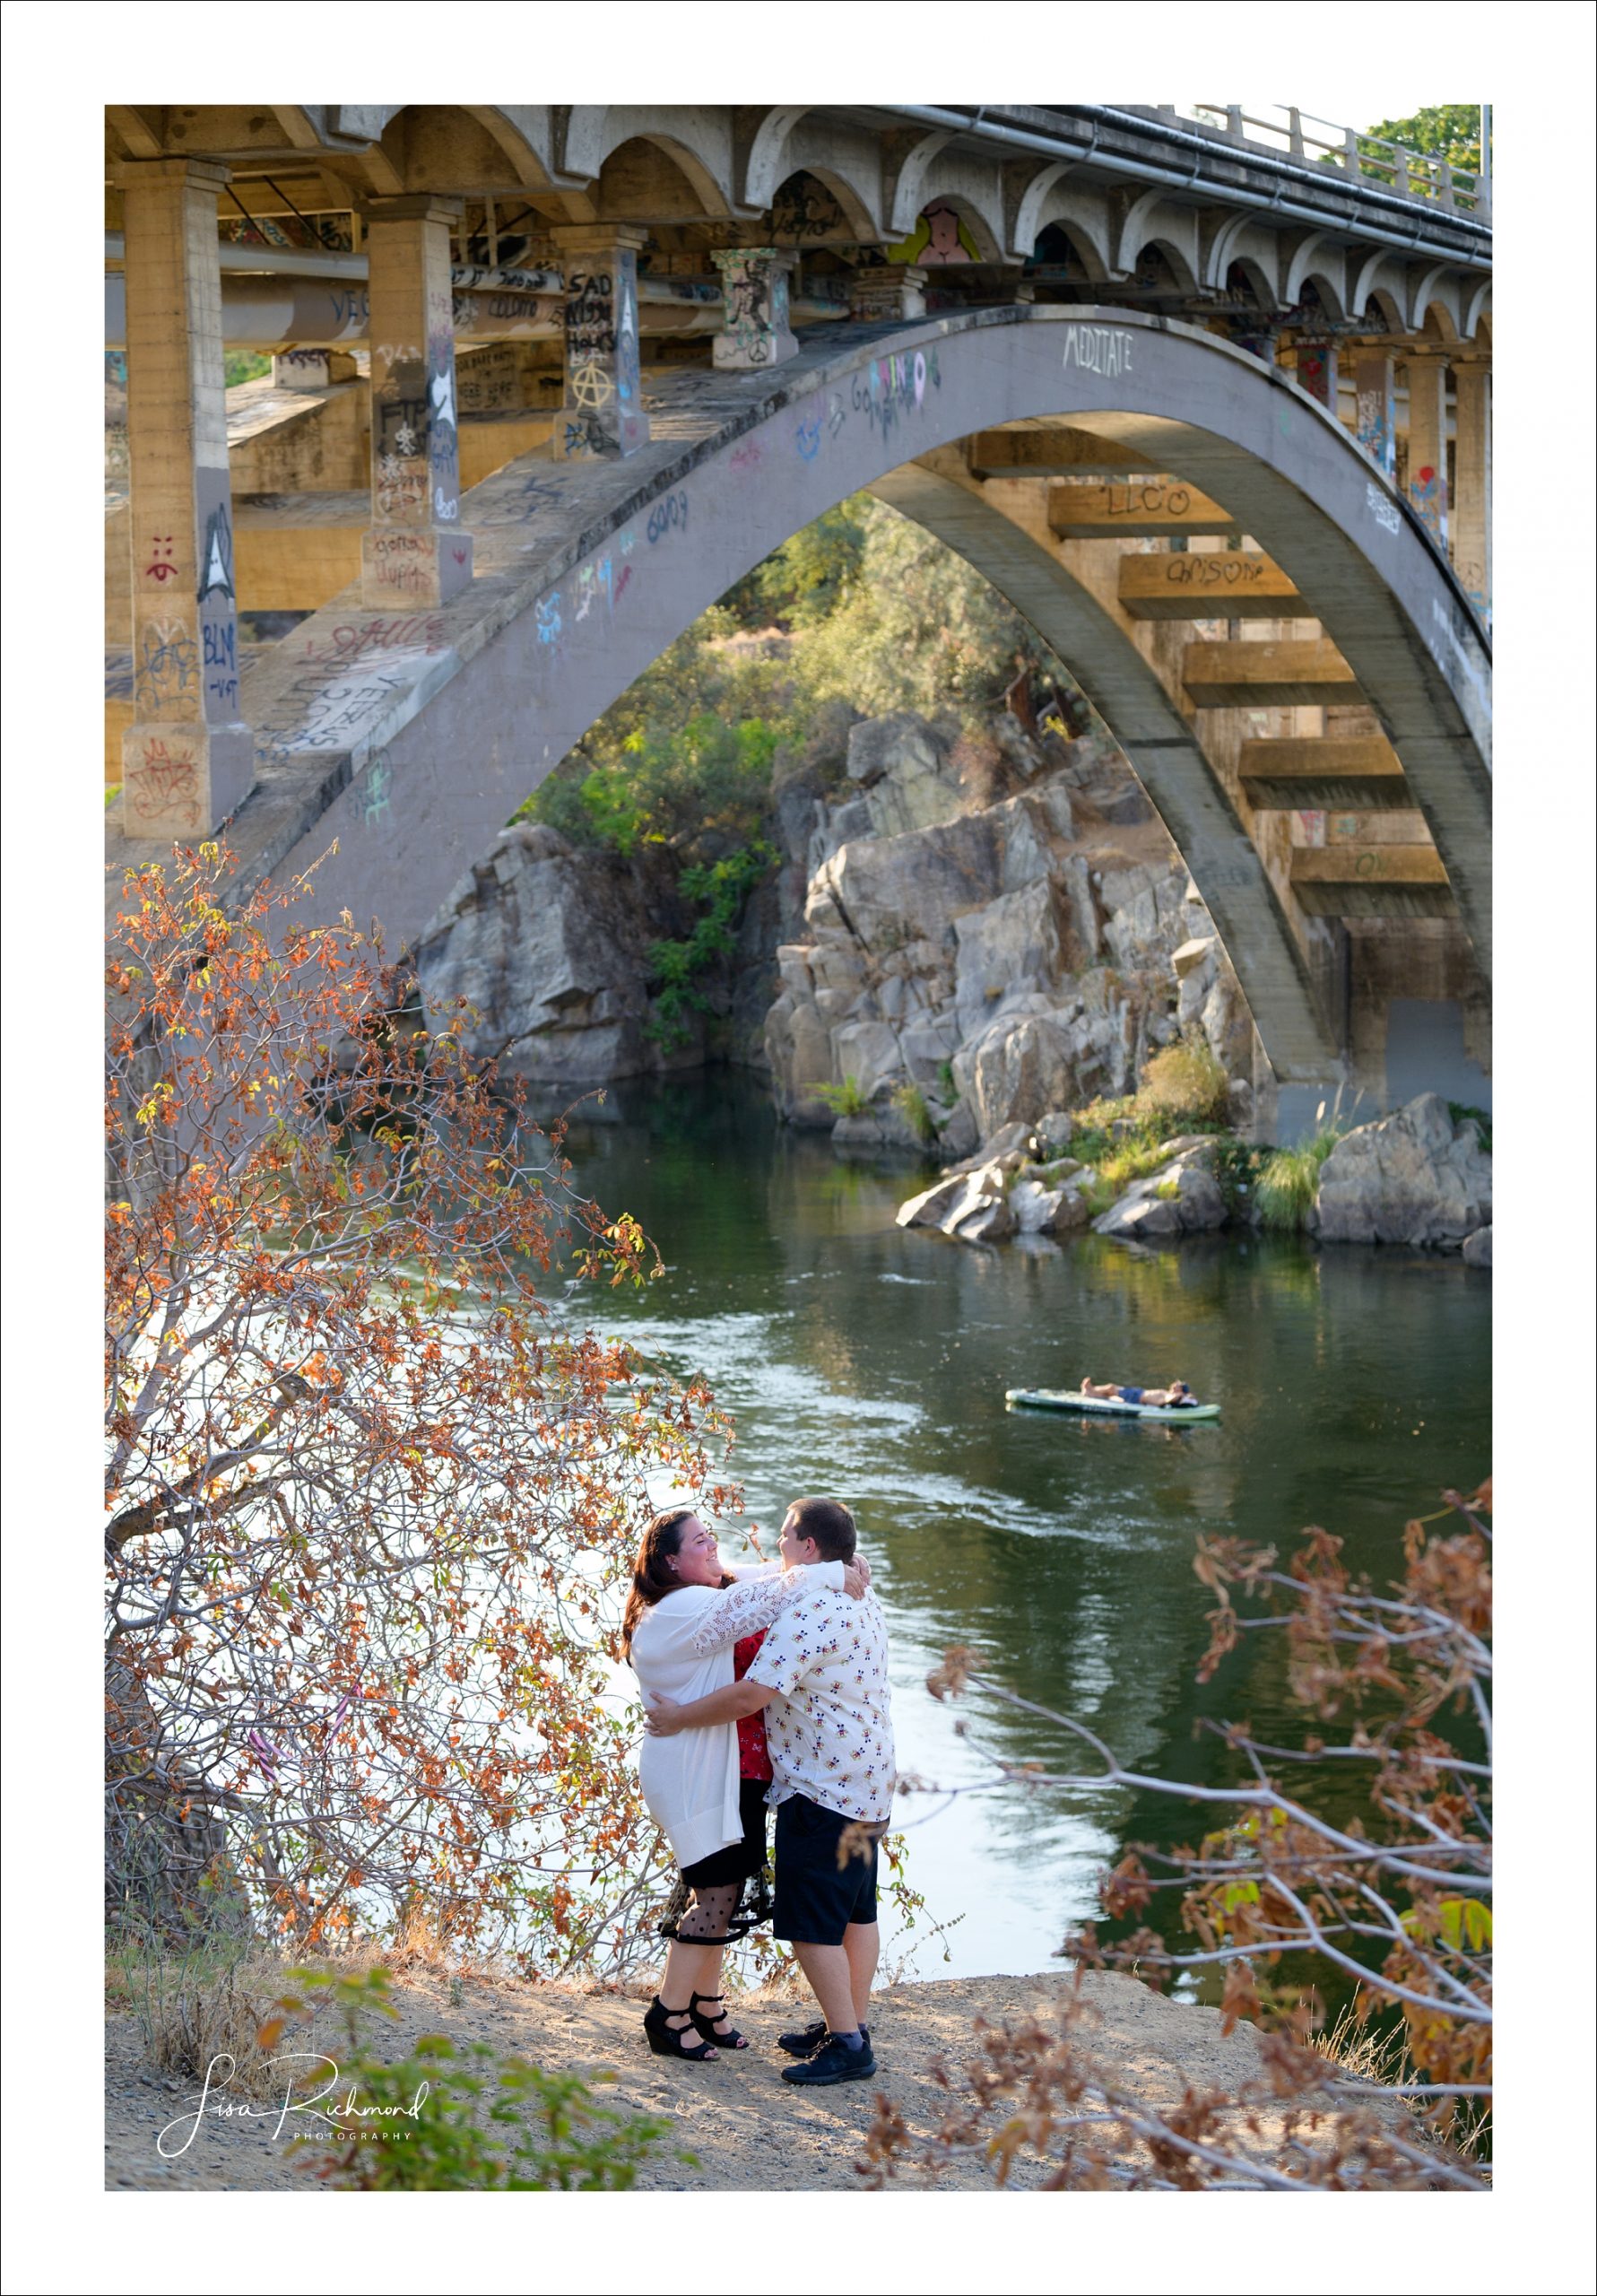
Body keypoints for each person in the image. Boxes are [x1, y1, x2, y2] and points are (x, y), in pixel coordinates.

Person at [645, 1497, 894, 2089]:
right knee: (857, 1912)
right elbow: (757, 1587)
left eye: (785, 1537)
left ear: (808, 1547)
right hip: (868, 1783)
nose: (777, 1548)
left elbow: (750, 1696)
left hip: (821, 1787)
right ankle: (847, 2023)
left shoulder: (810, 1611)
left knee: (811, 1927)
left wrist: (679, 1719)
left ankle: (850, 2045)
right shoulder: (862, 1594)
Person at [1079, 1376, 1195, 1407]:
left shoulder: (1172, 1396)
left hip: (1137, 1397)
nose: (1175, 1384)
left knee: (1111, 1388)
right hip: (1139, 1393)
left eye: (1178, 1384)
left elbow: (1169, 1401)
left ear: (1180, 1390)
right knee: (1111, 1391)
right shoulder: (1169, 1393)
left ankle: (1090, 1390)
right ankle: (1091, 1391)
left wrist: (1181, 1395)